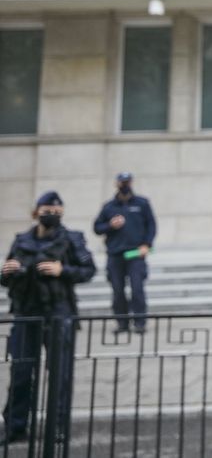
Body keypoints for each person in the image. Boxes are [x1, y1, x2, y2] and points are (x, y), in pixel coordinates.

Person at [1, 191, 96, 446]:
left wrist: (62, 270)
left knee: (60, 374)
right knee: (21, 372)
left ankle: (58, 427)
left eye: (56, 211)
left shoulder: (72, 239)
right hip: (26, 313)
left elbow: (88, 270)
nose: (51, 214)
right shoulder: (22, 240)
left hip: (58, 314)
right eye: (46, 210)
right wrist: (6, 271)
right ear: (36, 212)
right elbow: (5, 278)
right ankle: (15, 427)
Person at [93, 171, 157, 334]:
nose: (125, 185)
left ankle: (140, 322)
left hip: (135, 253)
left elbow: (151, 225)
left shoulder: (142, 203)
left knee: (137, 288)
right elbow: (97, 228)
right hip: (115, 254)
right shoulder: (109, 207)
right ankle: (122, 322)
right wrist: (110, 225)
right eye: (122, 182)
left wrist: (147, 244)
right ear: (116, 183)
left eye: (127, 182)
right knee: (117, 290)